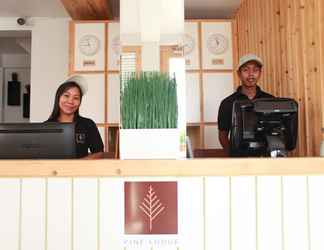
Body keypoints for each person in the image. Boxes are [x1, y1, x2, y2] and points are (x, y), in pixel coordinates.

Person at [218, 54, 273, 155]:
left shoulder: (270, 100)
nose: (251, 74)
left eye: (255, 70)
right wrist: (233, 155)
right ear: (239, 74)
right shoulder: (227, 103)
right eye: (246, 70)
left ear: (260, 73)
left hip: (266, 159)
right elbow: (223, 136)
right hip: (238, 160)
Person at [47, 75, 104, 159]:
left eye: (76, 98)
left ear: (80, 102)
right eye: (66, 96)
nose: (70, 101)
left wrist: (77, 165)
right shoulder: (47, 126)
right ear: (58, 98)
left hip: (81, 171)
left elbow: (99, 153)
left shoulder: (88, 124)